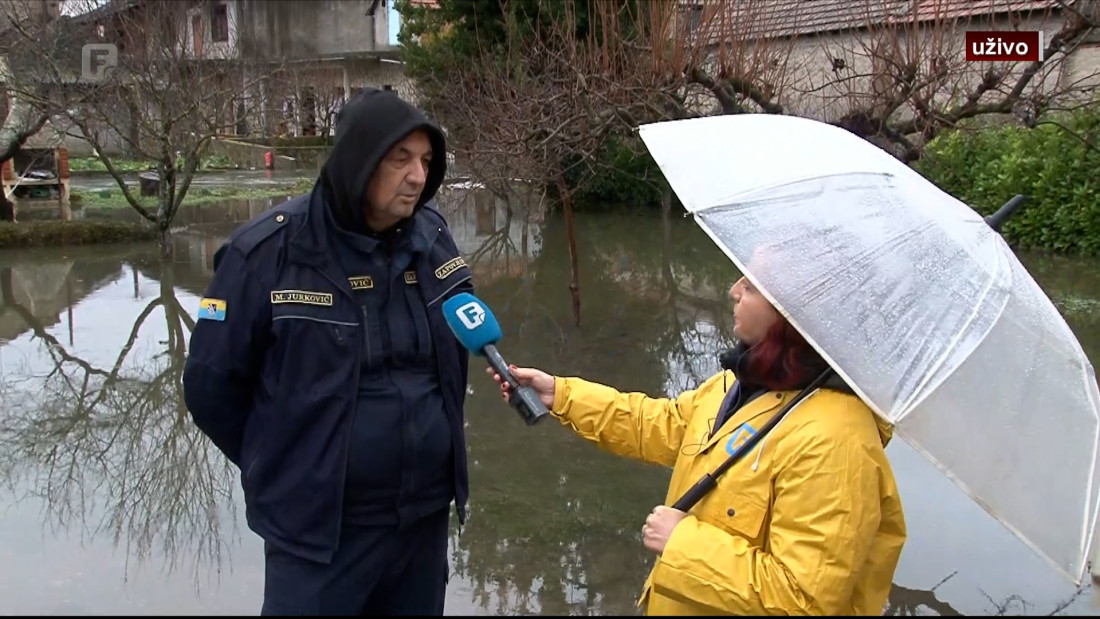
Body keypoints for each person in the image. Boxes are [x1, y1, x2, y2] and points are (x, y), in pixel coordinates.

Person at [183, 88, 475, 616]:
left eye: (426, 161)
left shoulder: (434, 239)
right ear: (359, 160)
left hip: (421, 525)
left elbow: (454, 361)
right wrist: (287, 461)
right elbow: (210, 389)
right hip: (318, 538)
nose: (417, 176)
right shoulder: (267, 255)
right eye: (400, 159)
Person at [488, 272, 907, 615]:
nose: (733, 290)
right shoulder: (741, 382)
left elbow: (806, 601)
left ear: (795, 314)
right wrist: (561, 395)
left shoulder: (838, 442)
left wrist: (683, 545)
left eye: (753, 285)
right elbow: (661, 425)